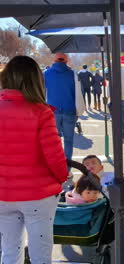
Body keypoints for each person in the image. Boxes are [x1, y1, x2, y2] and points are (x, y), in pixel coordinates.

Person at [0, 56, 68, 264]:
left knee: (10, 250)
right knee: (40, 255)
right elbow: (54, 156)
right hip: (39, 196)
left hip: (3, 195)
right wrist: (64, 177)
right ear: (36, 80)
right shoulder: (41, 112)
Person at [44, 53, 85, 160]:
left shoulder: (46, 74)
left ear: (54, 60)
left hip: (52, 111)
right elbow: (79, 93)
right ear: (66, 61)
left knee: (54, 140)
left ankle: (56, 164)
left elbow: (42, 93)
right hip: (69, 110)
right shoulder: (73, 74)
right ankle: (67, 165)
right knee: (68, 140)